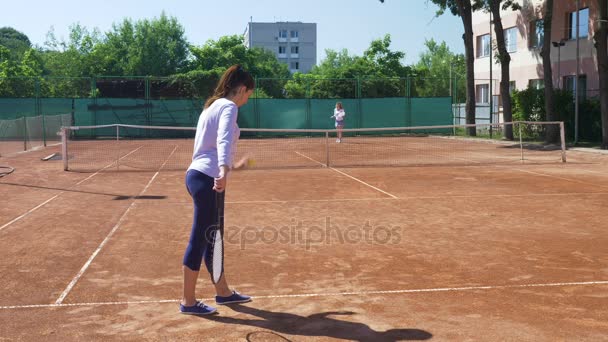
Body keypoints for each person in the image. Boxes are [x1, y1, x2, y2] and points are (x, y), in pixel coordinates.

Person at [180, 65, 254, 315]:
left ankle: (223, 292)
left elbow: (211, 147)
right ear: (242, 89)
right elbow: (222, 139)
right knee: (201, 238)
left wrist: (233, 166)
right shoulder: (228, 107)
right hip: (208, 178)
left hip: (200, 176)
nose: (246, 100)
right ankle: (188, 302)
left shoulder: (211, 107)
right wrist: (223, 169)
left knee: (214, 238)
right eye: (248, 95)